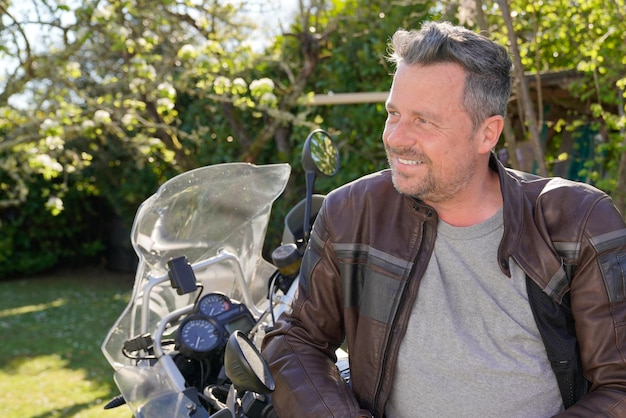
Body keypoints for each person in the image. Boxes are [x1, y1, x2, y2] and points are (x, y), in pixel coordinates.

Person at [261, 21, 626, 417]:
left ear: (487, 134)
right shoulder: (353, 212)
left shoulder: (578, 221)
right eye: (393, 113)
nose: (397, 138)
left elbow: (619, 385)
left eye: (424, 121)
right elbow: (294, 341)